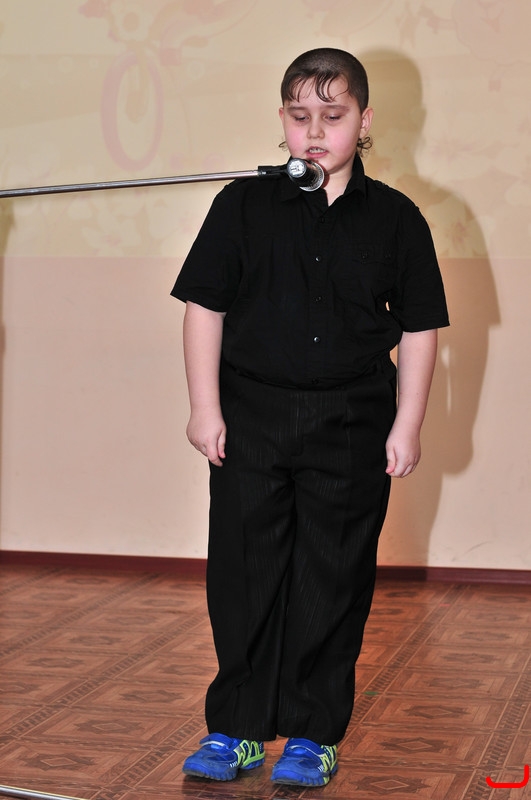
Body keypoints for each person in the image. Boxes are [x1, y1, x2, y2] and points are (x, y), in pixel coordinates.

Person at [171, 47, 449, 787]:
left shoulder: (396, 218)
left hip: (352, 422)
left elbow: (420, 328)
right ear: (283, 121)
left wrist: (407, 422)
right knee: (244, 575)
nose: (316, 132)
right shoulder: (241, 205)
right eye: (300, 117)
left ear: (364, 121)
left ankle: (312, 733)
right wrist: (204, 407)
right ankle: (235, 729)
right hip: (251, 417)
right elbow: (204, 308)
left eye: (333, 116)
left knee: (333, 576)